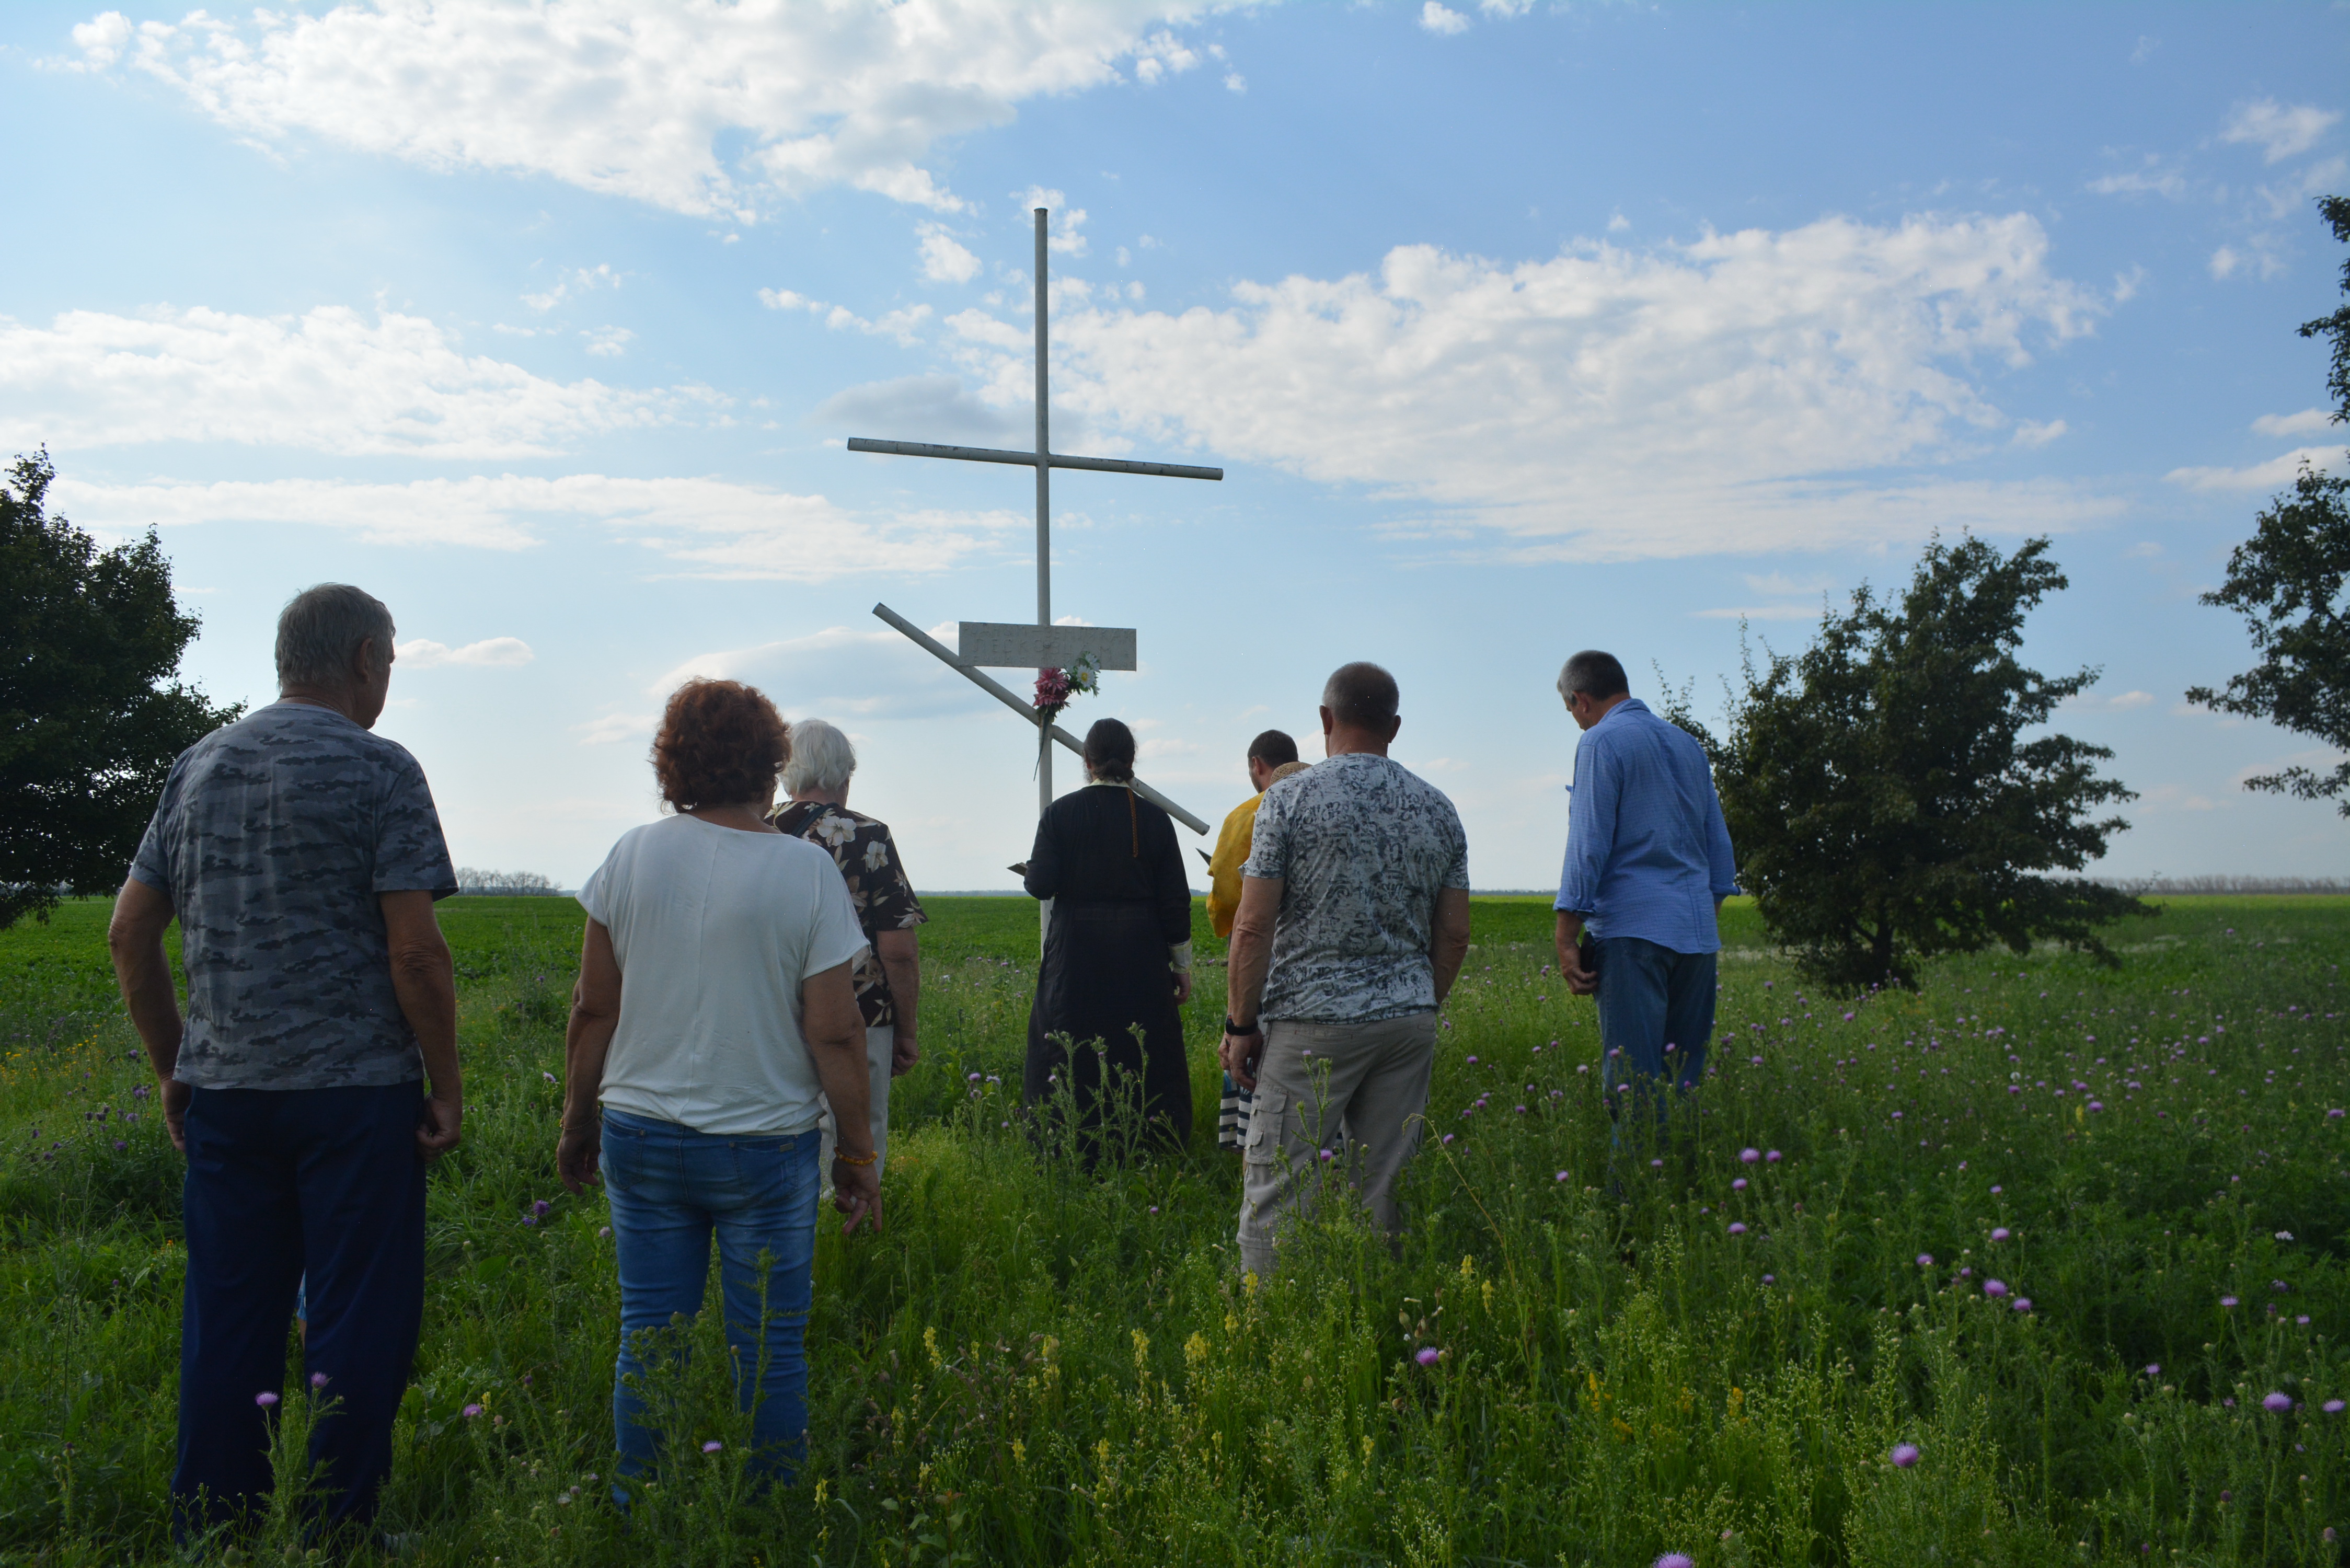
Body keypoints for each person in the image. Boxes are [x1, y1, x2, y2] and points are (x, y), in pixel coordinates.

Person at [107, 583, 462, 1541]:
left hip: (229, 1093)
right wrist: (447, 1085)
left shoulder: (199, 766)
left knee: (230, 1319)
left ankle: (213, 1531)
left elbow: (129, 931)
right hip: (355, 1097)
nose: (386, 680)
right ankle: (334, 1530)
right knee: (356, 1320)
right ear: (361, 661)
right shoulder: (382, 769)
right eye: (387, 662)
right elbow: (417, 951)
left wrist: (176, 1062)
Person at [556, 679, 881, 1492]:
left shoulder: (631, 854)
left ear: (673, 764)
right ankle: (770, 1509)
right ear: (770, 765)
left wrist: (576, 1122)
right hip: (764, 1144)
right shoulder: (805, 873)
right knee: (770, 1345)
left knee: (649, 1335)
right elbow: (836, 1031)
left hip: (639, 1130)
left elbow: (593, 1009)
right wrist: (858, 1153)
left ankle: (642, 1505)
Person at [1219, 662, 1471, 1278]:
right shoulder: (1437, 809)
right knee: (1383, 1190)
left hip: (1310, 1023)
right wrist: (1417, 1000)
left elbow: (1251, 926)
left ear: (1325, 720)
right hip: (1406, 1023)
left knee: (1278, 1188)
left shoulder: (1288, 799)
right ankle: (1381, 1320)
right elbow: (1455, 932)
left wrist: (1240, 1023)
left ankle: (1270, 1336)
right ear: (1394, 726)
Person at [1549, 650, 1738, 1132]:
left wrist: (1567, 937)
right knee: (1683, 1082)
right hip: (1696, 936)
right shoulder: (1686, 744)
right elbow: (1719, 846)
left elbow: (1588, 844)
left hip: (1633, 936)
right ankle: (1680, 1194)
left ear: (1582, 700)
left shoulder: (1601, 742)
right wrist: (1698, 911)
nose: (1575, 720)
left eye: (1570, 710)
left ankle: (1631, 1201)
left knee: (1632, 1085)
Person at [1021, 717, 1195, 1155]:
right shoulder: (1155, 819)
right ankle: (1149, 1140)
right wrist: (1183, 966)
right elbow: (1175, 900)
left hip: (1074, 952)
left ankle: (1065, 1140)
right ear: (1132, 760)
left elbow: (1041, 884)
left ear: (1087, 760)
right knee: (1140, 1043)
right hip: (1140, 952)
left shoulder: (1060, 814)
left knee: (1069, 1042)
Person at [768, 719, 926, 1181]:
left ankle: (793, 1222)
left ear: (788, 773)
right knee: (859, 1128)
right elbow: (898, 948)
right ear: (844, 775)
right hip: (861, 1011)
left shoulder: (756, 831)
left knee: (783, 1128)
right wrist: (908, 1029)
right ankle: (852, 1222)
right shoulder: (867, 835)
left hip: (773, 1007)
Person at [1204, 730, 1307, 1150]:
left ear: (1256, 765)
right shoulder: (1320, 802)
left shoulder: (1247, 814)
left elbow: (1228, 906)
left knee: (1258, 1073)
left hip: (1265, 967)